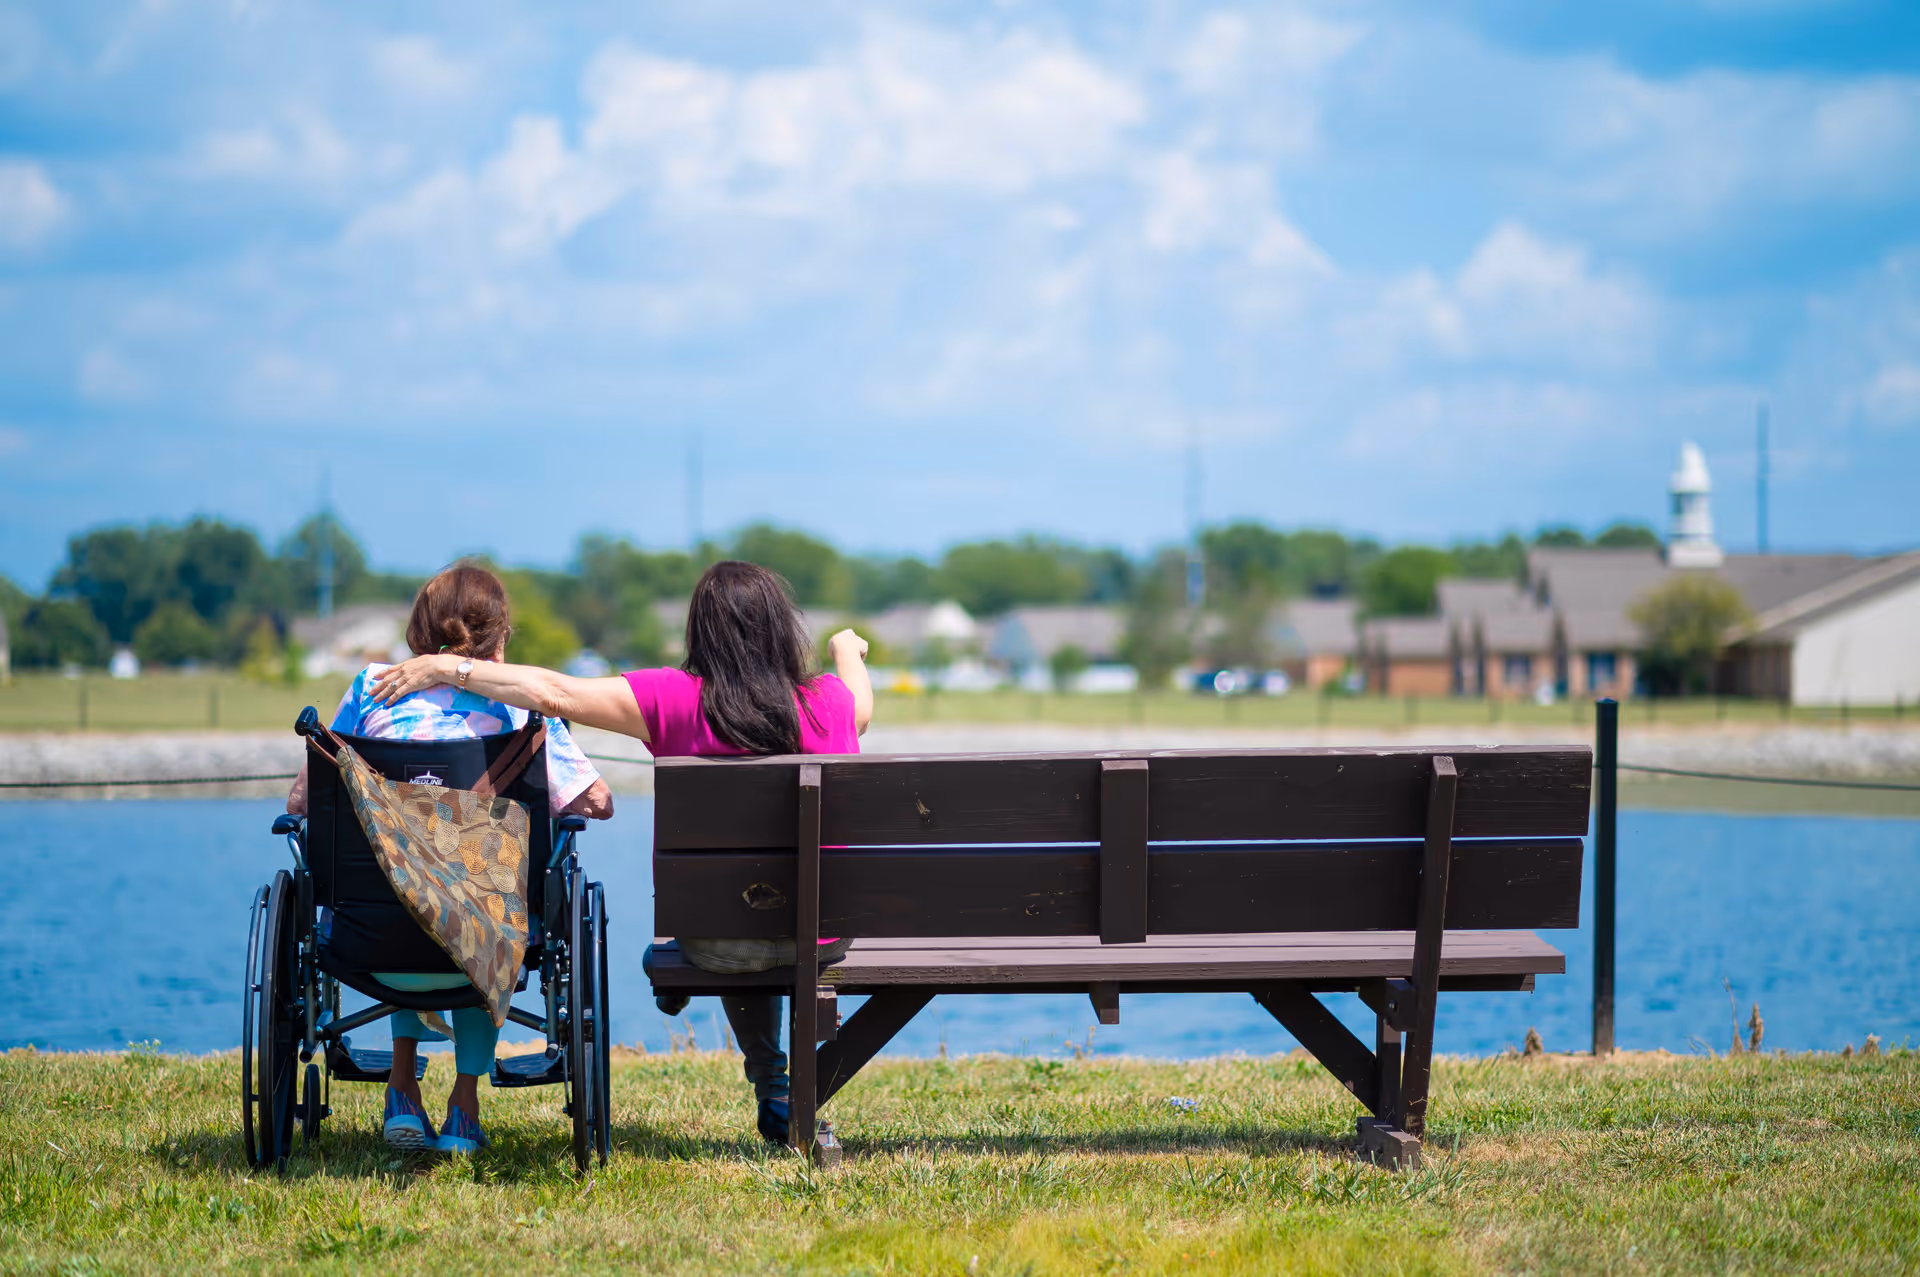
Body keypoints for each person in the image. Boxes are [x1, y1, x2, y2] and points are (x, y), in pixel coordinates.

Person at [370, 560, 874, 1144]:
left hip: (716, 937)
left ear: (701, 632)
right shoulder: (831, 705)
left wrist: (445, 666)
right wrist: (846, 650)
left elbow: (554, 692)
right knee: (768, 906)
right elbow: (861, 705)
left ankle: (773, 1081)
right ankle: (780, 1091)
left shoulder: (674, 698)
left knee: (740, 915)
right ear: (782, 630)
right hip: (819, 932)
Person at [286, 562, 614, 1154]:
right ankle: (464, 1105)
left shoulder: (367, 689)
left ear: (419, 628)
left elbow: (302, 800)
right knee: (480, 888)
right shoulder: (519, 711)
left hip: (373, 938)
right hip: (486, 939)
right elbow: (597, 802)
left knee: (412, 880)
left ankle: (402, 1088)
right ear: (498, 639)